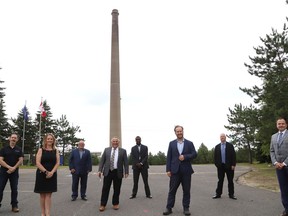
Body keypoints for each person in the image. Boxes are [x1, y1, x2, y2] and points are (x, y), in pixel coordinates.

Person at [163, 125, 197, 216]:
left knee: (186, 190)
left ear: (183, 131)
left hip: (186, 171)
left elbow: (194, 154)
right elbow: (169, 157)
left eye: (180, 131)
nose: (179, 133)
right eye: (177, 131)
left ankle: (186, 208)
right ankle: (169, 208)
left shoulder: (189, 143)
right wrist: (168, 170)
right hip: (174, 171)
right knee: (172, 190)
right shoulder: (171, 143)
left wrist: (185, 157)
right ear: (175, 132)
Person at [98, 137, 129, 212]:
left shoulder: (123, 151)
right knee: (105, 189)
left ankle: (115, 203)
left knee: (117, 189)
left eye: (116, 141)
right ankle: (103, 204)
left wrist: (126, 172)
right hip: (108, 172)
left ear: (118, 143)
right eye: (114, 141)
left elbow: (126, 162)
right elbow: (102, 161)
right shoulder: (106, 150)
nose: (115, 142)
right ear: (111, 142)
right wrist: (100, 170)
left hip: (118, 172)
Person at [34, 133, 60, 216]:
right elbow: (37, 163)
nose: (49, 140)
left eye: (51, 139)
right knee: (42, 195)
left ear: (53, 141)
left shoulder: (56, 150)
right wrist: (46, 172)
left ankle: (48, 213)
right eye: (48, 139)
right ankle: (43, 213)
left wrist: (52, 172)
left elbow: (58, 162)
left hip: (52, 175)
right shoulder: (41, 150)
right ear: (45, 140)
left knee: (48, 195)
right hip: (41, 174)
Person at [0, 133, 24, 213]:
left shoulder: (19, 149)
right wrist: (9, 167)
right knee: (0, 188)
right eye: (12, 137)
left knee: (14, 189)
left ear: (17, 140)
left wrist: (14, 168)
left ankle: (14, 206)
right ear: (9, 138)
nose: (13, 139)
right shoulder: (4, 149)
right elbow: (0, 160)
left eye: (15, 138)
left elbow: (20, 160)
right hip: (4, 172)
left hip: (14, 172)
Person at [270, 117, 288, 216]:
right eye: (279, 124)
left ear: (286, 125)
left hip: (287, 165)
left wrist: (284, 163)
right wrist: (276, 162)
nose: (281, 125)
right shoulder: (273, 137)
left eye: (282, 123)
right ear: (276, 125)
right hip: (278, 167)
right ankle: (286, 209)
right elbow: (271, 151)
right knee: (284, 189)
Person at [212, 133, 237, 200]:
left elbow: (233, 156)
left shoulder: (230, 145)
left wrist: (233, 165)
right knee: (220, 180)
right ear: (220, 138)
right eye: (221, 137)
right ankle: (218, 194)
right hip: (220, 167)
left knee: (230, 181)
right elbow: (215, 157)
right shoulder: (217, 146)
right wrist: (217, 165)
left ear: (225, 137)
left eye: (223, 137)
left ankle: (231, 194)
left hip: (229, 166)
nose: (222, 138)